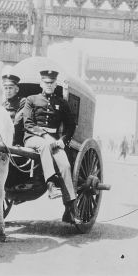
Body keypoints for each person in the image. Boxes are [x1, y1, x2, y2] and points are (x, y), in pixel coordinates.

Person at [23, 70, 80, 225]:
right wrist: (43, 135)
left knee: (65, 165)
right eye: (46, 82)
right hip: (33, 139)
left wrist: (63, 141)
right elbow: (27, 123)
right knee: (44, 145)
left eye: (52, 83)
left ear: (56, 84)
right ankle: (50, 186)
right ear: (41, 83)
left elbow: (70, 125)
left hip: (54, 142)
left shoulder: (62, 103)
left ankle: (69, 209)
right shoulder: (31, 100)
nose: (49, 85)